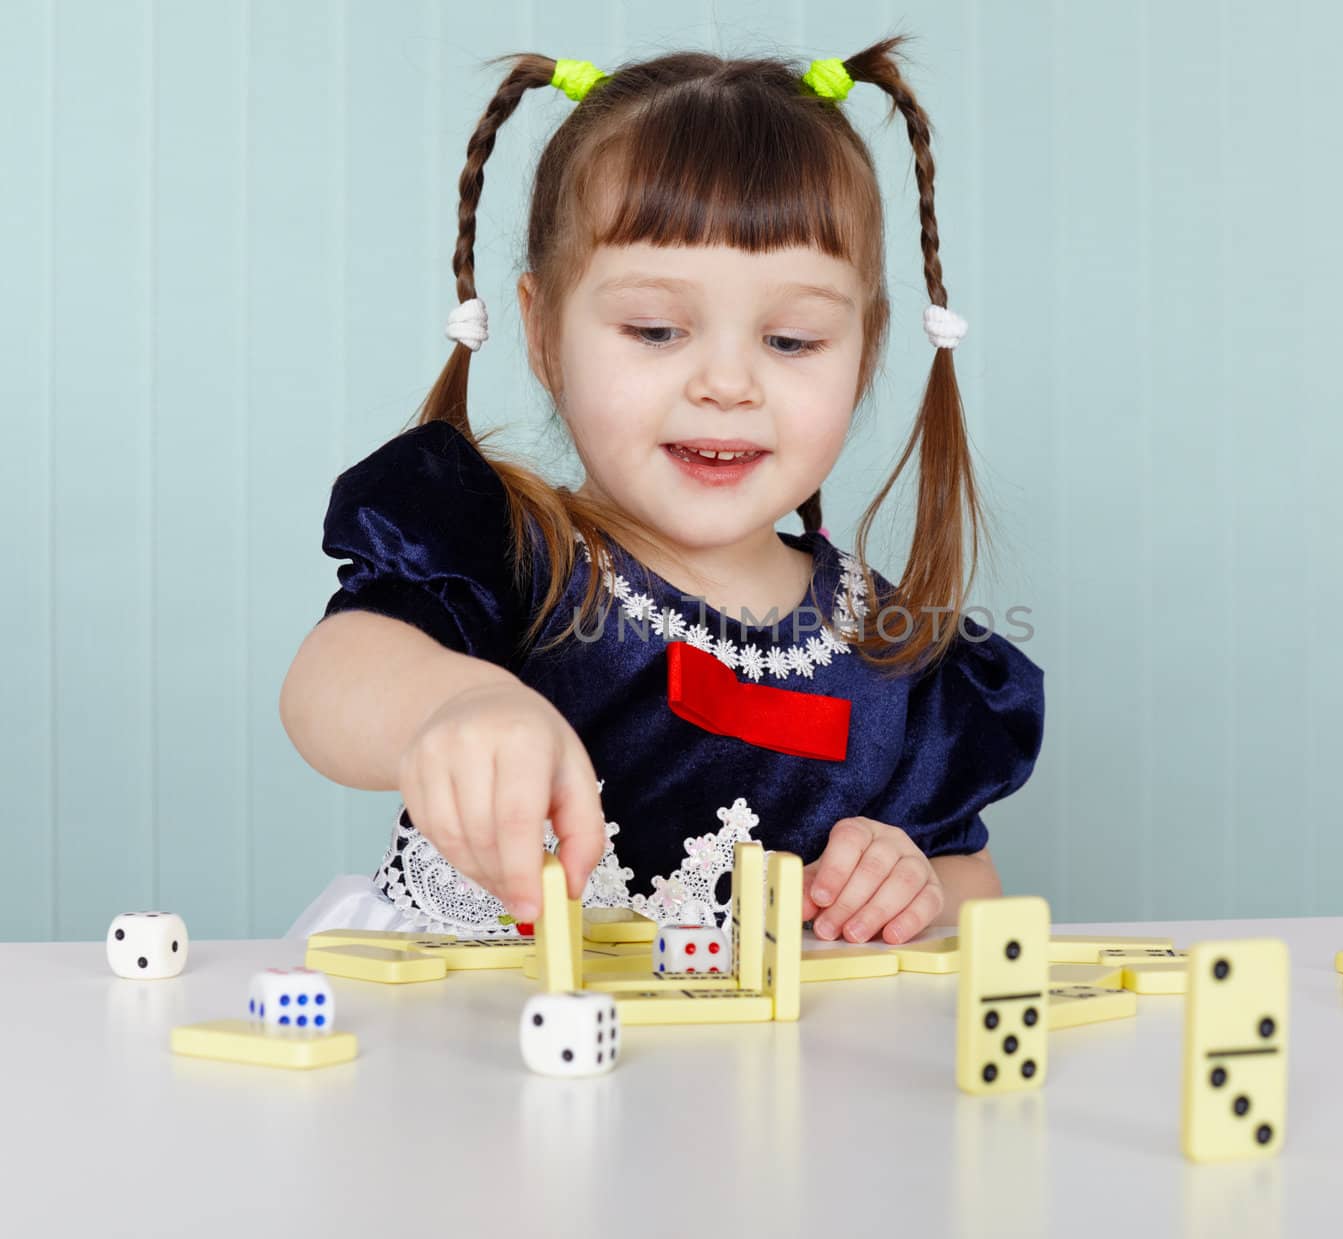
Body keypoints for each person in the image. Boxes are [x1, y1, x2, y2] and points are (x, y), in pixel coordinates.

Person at [279, 37, 1045, 947]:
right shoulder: (508, 548)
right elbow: (328, 684)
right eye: (654, 329)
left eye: (792, 341)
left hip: (772, 1079)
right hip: (495, 1055)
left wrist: (914, 886)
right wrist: (447, 703)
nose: (727, 383)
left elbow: (976, 888)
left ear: (867, 350)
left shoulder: (894, 653)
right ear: (541, 330)